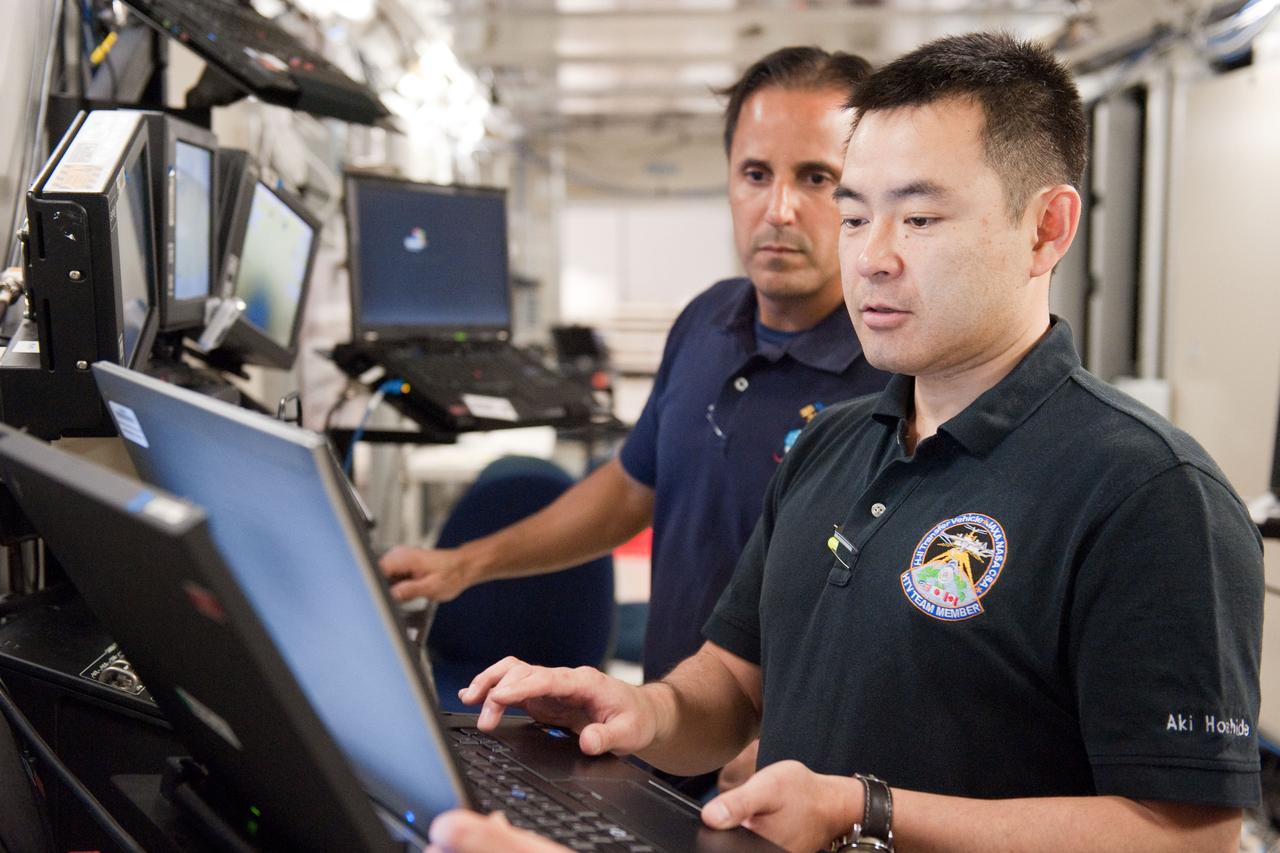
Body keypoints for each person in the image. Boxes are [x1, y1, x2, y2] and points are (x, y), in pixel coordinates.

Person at [424, 31, 1265, 853]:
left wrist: (870, 810)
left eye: (921, 217)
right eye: (856, 216)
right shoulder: (831, 448)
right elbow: (729, 686)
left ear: (1046, 228)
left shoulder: (1149, 493)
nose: (872, 258)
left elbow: (1190, 834)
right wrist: (640, 712)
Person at [382, 45, 889, 791]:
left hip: (798, 779)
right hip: (667, 735)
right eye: (756, 174)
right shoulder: (707, 322)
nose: (778, 209)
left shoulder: (893, 372)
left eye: (817, 178)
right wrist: (466, 564)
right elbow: (629, 489)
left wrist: (793, 739)